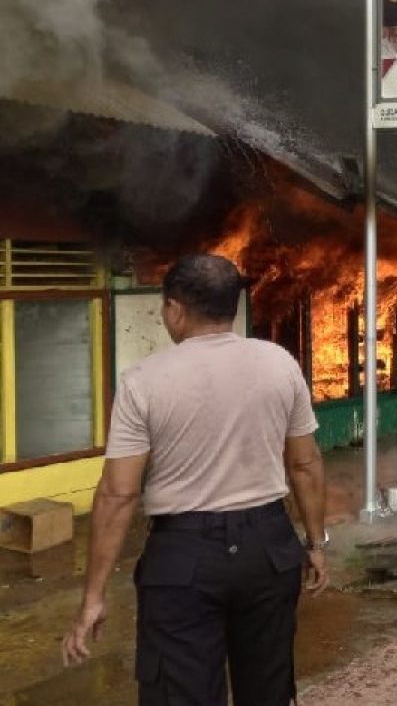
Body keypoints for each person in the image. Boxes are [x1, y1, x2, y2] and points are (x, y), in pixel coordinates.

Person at [62, 254, 329, 704]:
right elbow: (305, 464)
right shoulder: (280, 363)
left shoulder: (143, 381)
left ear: (174, 310)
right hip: (268, 551)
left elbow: (118, 493)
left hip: (182, 559)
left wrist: (94, 597)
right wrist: (317, 543)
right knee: (268, 690)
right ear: (234, 306)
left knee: (179, 693)